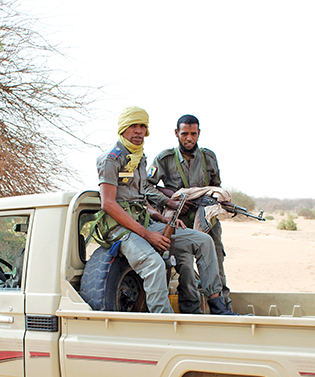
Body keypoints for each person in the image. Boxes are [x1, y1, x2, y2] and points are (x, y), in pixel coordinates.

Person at [94, 106, 237, 315]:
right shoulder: (111, 159)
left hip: (144, 222)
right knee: (154, 265)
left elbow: (141, 200)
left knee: (204, 241)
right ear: (123, 128)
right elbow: (108, 204)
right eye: (133, 126)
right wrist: (148, 234)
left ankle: (218, 306)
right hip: (121, 229)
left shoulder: (139, 157)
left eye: (142, 126)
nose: (139, 131)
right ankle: (165, 323)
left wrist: (162, 218)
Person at [147, 114, 231, 312]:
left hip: (206, 218)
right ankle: (191, 311)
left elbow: (215, 187)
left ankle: (223, 309)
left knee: (216, 262)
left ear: (199, 133)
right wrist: (170, 202)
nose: (189, 138)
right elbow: (146, 187)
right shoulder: (165, 158)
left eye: (193, 134)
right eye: (185, 133)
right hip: (179, 221)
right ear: (177, 133)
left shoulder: (208, 158)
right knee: (184, 267)